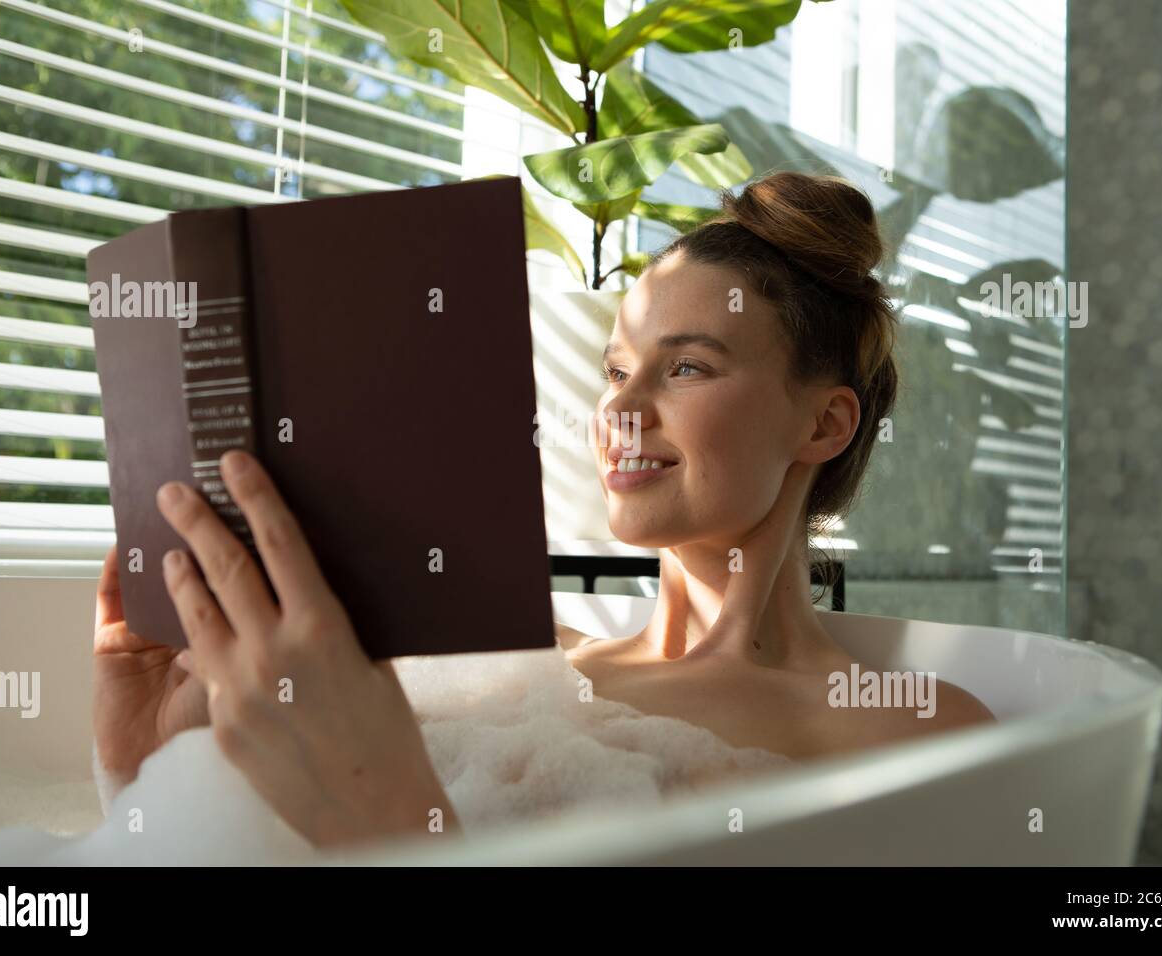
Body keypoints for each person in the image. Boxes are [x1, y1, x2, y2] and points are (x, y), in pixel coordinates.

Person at [91, 172, 993, 851]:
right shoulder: (517, 668)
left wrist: (395, 819)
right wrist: (140, 766)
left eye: (686, 367)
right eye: (615, 371)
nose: (620, 411)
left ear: (824, 422)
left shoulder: (908, 728)